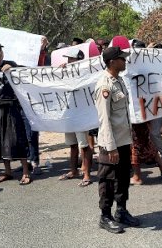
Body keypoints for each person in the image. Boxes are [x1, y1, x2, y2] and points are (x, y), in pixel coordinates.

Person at [95, 46, 139, 233]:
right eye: (122, 58)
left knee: (122, 178)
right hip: (110, 143)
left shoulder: (118, 80)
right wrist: (110, 147)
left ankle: (121, 210)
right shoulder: (104, 85)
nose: (125, 61)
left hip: (123, 139)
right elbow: (104, 119)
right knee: (107, 180)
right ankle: (105, 216)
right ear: (112, 62)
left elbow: (122, 115)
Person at [0, 41, 32, 185]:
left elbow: (27, 75)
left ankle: (26, 171)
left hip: (13, 107)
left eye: (0, 50)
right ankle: (7, 171)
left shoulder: (11, 64)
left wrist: (13, 69)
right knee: (0, 140)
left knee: (19, 138)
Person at [60, 48, 94, 186]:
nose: (68, 61)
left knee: (84, 146)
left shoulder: (86, 74)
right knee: (72, 145)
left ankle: (86, 174)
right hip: (70, 114)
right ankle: (73, 170)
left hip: (81, 115)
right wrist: (60, 72)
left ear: (78, 60)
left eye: (71, 59)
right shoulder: (66, 72)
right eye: (68, 59)